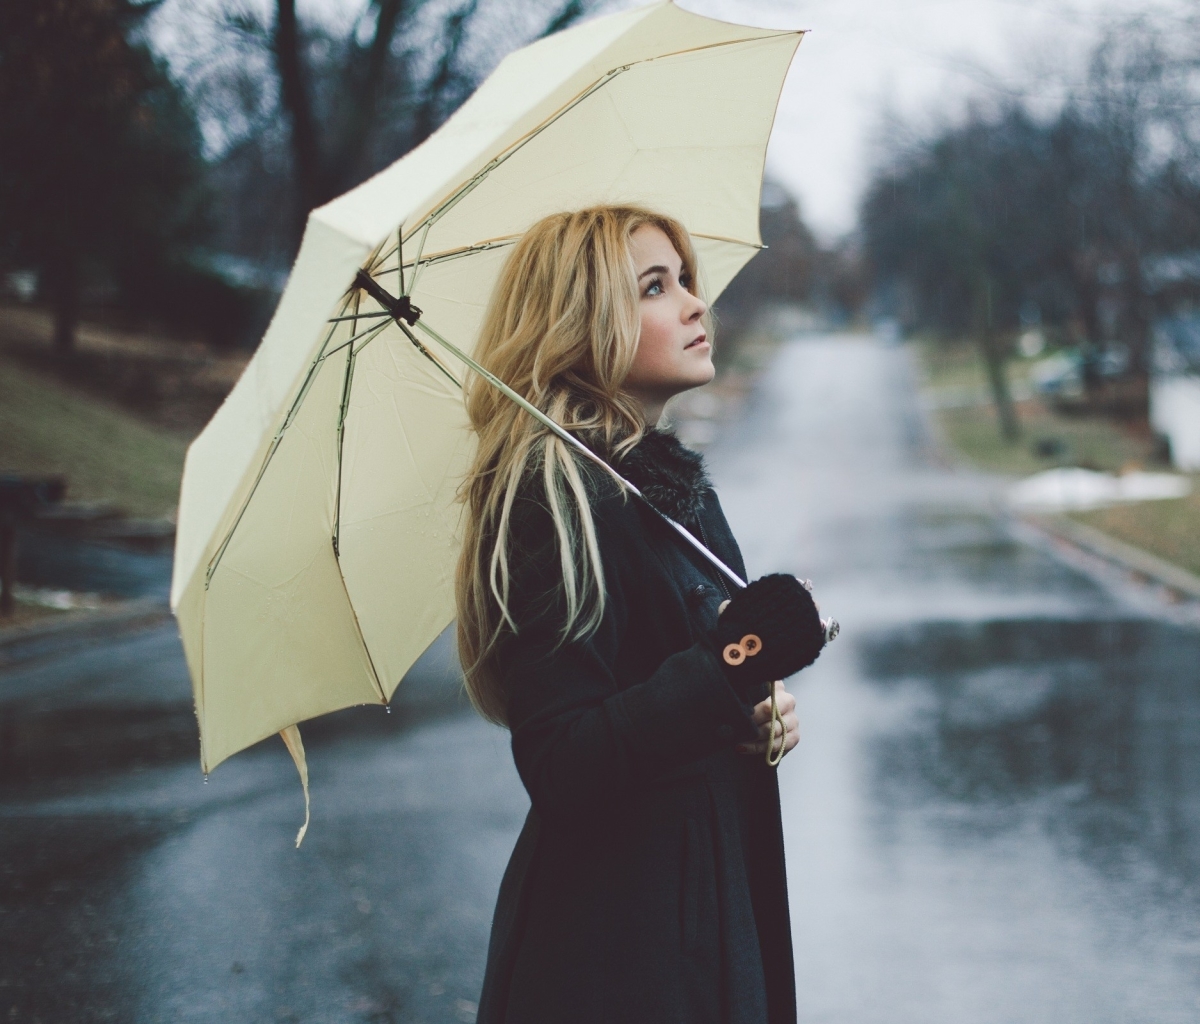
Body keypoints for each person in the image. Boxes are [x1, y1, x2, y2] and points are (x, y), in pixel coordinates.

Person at [455, 205, 828, 1024]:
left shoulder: (660, 487)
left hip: (700, 909)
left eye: (685, 280)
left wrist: (756, 713)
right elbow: (562, 761)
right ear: (578, 327)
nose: (696, 303)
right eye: (655, 287)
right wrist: (736, 658)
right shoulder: (550, 497)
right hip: (620, 952)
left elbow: (674, 694)